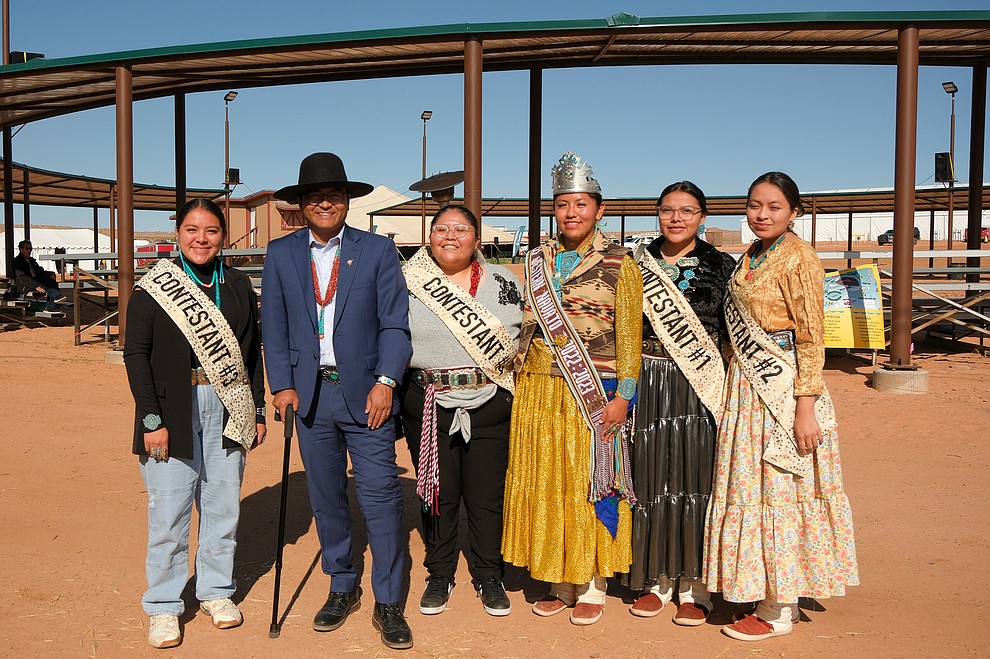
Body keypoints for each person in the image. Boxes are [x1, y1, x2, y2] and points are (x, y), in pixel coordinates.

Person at [261, 152, 414, 650]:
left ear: (347, 201)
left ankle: (387, 599)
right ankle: (342, 583)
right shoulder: (281, 254)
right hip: (309, 397)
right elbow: (275, 326)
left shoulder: (377, 251)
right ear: (302, 205)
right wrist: (281, 384)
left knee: (381, 498)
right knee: (327, 498)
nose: (325, 203)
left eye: (334, 195)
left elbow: (395, 324)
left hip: (367, 394)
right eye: (315, 196)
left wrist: (387, 381)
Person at [704, 172, 859, 641]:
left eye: (773, 206)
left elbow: (813, 337)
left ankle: (779, 608)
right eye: (754, 205)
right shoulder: (751, 255)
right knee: (750, 487)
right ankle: (760, 587)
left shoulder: (801, 259)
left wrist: (805, 406)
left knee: (781, 491)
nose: (762, 214)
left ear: (794, 211)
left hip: (782, 388)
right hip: (746, 388)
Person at [502, 151, 643, 626]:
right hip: (538, 387)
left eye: (581, 204)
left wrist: (624, 395)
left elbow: (629, 336)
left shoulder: (621, 261)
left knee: (590, 481)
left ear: (599, 210)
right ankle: (559, 579)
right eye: (562, 204)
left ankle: (593, 583)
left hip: (592, 387)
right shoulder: (536, 258)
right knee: (546, 481)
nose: (571, 213)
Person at [123, 198, 267, 649]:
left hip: (228, 404)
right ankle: (164, 607)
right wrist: (152, 419)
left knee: (223, 508)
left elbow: (251, 352)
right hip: (171, 411)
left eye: (210, 231)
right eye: (191, 230)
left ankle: (215, 592)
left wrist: (257, 409)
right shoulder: (154, 287)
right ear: (178, 234)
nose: (200, 239)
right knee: (169, 512)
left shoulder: (239, 284)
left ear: (223, 236)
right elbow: (135, 355)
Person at [400, 205, 524, 617]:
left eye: (460, 229)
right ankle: (440, 573)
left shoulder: (504, 281)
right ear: (429, 235)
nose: (450, 236)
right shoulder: (407, 282)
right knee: (437, 494)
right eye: (441, 229)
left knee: (487, 496)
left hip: (491, 401)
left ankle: (490, 574)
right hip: (430, 401)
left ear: (476, 237)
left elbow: (526, 335)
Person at [626, 181, 737, 625]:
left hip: (699, 380)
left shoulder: (723, 265)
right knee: (649, 475)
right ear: (657, 214)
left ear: (702, 217)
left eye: (687, 211)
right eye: (668, 210)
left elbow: (732, 332)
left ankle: (695, 585)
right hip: (648, 379)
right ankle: (655, 579)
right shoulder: (636, 262)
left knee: (695, 477)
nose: (676, 218)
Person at [13, 240, 66, 310]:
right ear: (21, 249)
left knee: (51, 282)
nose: (29, 251)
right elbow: (22, 278)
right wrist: (36, 286)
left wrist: (50, 274)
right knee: (48, 287)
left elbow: (39, 271)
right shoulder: (17, 261)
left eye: (30, 249)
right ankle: (52, 305)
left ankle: (55, 300)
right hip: (25, 285)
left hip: (35, 280)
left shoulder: (31, 260)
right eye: (27, 248)